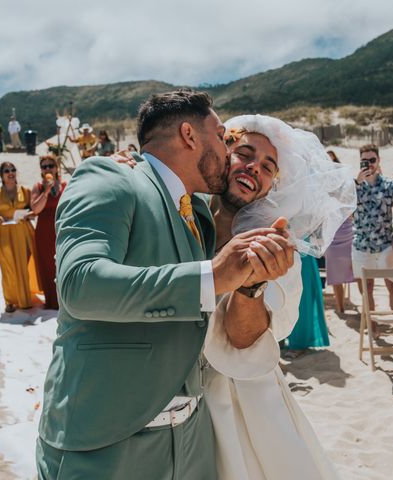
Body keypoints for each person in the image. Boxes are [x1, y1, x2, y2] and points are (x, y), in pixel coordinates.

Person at [37, 90, 293, 479]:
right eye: (222, 137)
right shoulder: (109, 177)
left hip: (192, 441)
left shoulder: (201, 216)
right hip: (108, 444)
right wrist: (211, 276)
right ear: (190, 135)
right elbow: (79, 283)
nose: (229, 153)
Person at [201, 115, 354, 479]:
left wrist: (250, 286)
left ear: (272, 186)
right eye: (245, 154)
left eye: (268, 167)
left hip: (238, 395)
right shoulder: (178, 216)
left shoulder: (277, 250)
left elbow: (244, 340)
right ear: (222, 156)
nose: (255, 168)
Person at [352, 144, 393, 312]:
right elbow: (343, 206)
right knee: (366, 291)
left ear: (379, 160)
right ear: (359, 162)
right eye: (364, 161)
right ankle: (373, 329)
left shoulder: (389, 185)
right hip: (362, 246)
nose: (369, 164)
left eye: (372, 160)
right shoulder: (353, 187)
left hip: (386, 245)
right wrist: (357, 183)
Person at [0, 162, 36, 313]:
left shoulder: (25, 191)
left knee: (23, 264)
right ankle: (10, 301)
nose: (10, 173)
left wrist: (28, 215)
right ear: (2, 175)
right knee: (8, 266)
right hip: (5, 232)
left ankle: (25, 299)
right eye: (6, 171)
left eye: (13, 169)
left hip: (23, 231)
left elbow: (33, 210)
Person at [30, 155, 66, 310]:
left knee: (63, 264)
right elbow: (36, 209)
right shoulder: (37, 187)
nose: (48, 169)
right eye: (44, 167)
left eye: (50, 165)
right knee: (47, 265)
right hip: (44, 230)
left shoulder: (66, 185)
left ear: (57, 167)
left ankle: (65, 299)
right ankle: (51, 301)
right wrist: (46, 191)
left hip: (61, 229)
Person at [324, 152, 354, 312]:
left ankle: (365, 308)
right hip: (330, 229)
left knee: (355, 269)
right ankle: (340, 307)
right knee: (334, 271)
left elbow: (351, 205)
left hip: (346, 227)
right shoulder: (321, 182)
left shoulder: (345, 182)